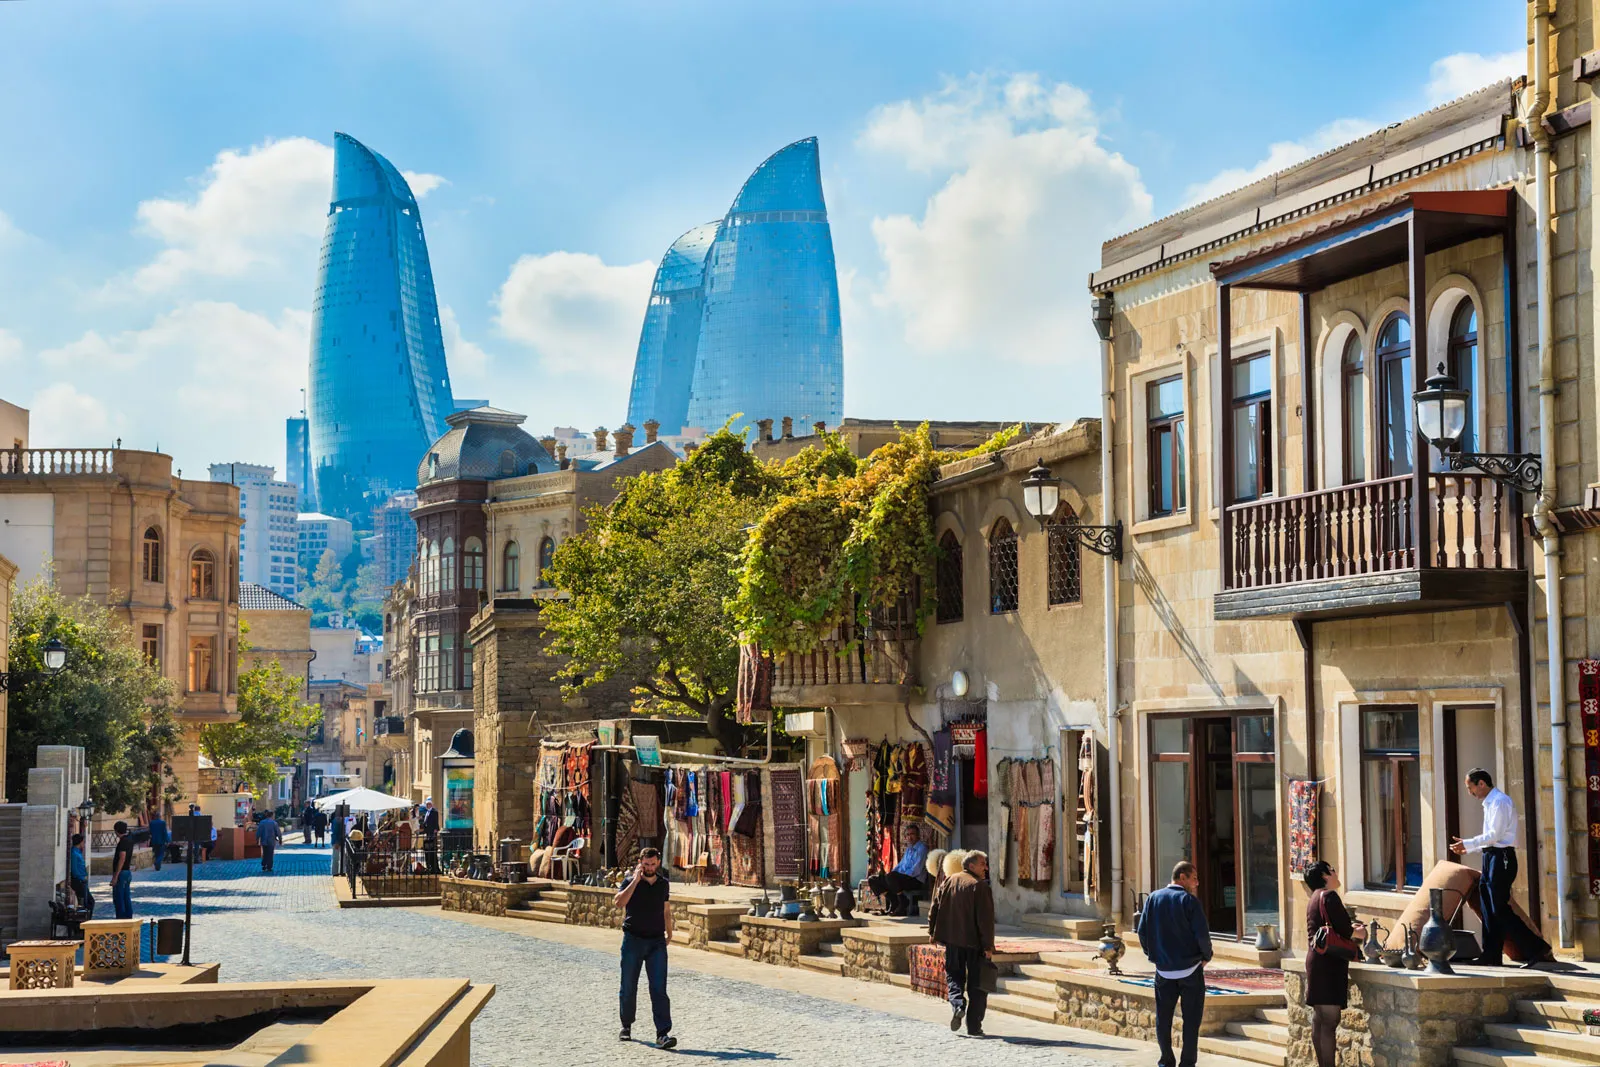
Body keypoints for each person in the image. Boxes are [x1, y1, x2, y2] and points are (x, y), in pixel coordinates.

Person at [1450, 768, 1556, 967]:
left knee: (1499, 908)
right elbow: (1491, 841)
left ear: (1482, 783)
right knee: (1488, 908)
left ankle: (1537, 948)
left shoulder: (1499, 802)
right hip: (1491, 857)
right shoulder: (1489, 803)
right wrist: (1469, 848)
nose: (1469, 792)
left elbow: (1495, 836)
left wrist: (1468, 843)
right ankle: (1491, 955)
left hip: (1502, 859)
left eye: (1470, 787)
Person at [1135, 861, 1213, 1067]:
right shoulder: (1189, 901)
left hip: (1164, 971)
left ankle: (1166, 1061)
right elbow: (1202, 935)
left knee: (1163, 1019)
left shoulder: (1153, 898)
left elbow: (1142, 932)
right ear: (1182, 877)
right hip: (1191, 970)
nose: (1197, 883)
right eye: (1194, 878)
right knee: (1191, 1021)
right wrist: (1206, 956)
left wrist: (1153, 955)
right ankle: (1187, 1063)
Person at [1303, 861, 1366, 1067]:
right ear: (1324, 876)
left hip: (1316, 961)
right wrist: (1360, 932)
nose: (1336, 873)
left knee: (1320, 1020)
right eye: (1332, 870)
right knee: (1329, 1021)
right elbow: (1346, 931)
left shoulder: (1314, 897)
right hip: (1329, 964)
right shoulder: (1329, 896)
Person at [613, 847, 676, 1049]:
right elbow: (618, 902)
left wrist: (669, 933)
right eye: (646, 864)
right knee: (628, 985)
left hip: (656, 942)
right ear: (640, 863)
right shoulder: (629, 881)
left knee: (659, 988)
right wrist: (635, 881)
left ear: (658, 863)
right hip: (633, 940)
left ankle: (663, 1033)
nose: (649, 867)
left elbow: (666, 910)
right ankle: (626, 1026)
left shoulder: (663, 884)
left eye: (653, 864)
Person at [926, 849, 994, 1037]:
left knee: (954, 977)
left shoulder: (949, 881)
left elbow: (934, 907)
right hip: (975, 944)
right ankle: (974, 1026)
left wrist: (932, 932)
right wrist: (988, 946)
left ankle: (957, 1005)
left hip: (953, 941)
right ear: (971, 866)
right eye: (982, 864)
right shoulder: (979, 886)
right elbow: (986, 920)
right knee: (977, 986)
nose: (986, 868)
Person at [868, 824, 928, 917]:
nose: (910, 837)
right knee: (873, 880)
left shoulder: (922, 849)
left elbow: (917, 870)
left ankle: (903, 902)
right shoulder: (909, 849)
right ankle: (894, 901)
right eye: (908, 835)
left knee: (892, 877)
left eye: (912, 834)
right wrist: (891, 875)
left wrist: (896, 876)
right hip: (903, 878)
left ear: (918, 835)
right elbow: (900, 865)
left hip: (915, 880)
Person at [110, 820, 136, 920]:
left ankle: (121, 918)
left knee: (119, 898)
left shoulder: (123, 842)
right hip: (127, 872)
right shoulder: (129, 839)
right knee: (126, 896)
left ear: (116, 831)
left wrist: (115, 876)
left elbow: (122, 858)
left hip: (122, 872)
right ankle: (128, 917)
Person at [69, 832, 93, 918]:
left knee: (88, 902)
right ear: (80, 842)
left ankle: (87, 920)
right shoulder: (74, 853)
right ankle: (84, 921)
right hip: (79, 881)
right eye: (83, 842)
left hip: (82, 880)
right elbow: (74, 870)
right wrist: (81, 878)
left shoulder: (78, 852)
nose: (84, 844)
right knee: (85, 903)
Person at [420, 797, 441, 874]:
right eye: (427, 804)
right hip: (428, 833)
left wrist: (436, 829)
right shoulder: (427, 812)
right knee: (428, 850)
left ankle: (434, 868)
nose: (428, 805)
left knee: (432, 849)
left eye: (429, 804)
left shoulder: (434, 812)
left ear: (431, 805)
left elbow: (436, 821)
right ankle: (429, 866)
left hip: (432, 833)